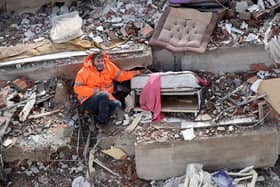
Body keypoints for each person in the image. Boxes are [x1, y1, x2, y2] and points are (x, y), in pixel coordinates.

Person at [74, 51, 142, 128]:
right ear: (93, 61)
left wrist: (137, 72)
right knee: (103, 95)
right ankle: (102, 121)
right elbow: (77, 88)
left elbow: (121, 76)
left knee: (117, 104)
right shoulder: (84, 72)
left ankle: (97, 119)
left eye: (102, 61)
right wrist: (94, 91)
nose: (100, 63)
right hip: (88, 101)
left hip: (105, 98)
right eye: (98, 61)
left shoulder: (109, 66)